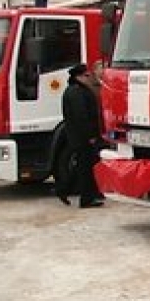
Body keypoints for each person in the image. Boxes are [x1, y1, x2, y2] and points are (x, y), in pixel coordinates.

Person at [60, 63, 104, 208]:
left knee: (82, 166)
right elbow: (81, 116)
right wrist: (90, 135)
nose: (89, 77)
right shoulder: (76, 92)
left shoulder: (76, 90)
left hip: (79, 137)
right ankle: (85, 198)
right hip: (82, 138)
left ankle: (65, 190)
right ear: (78, 76)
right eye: (86, 75)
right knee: (85, 168)